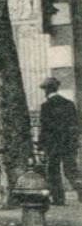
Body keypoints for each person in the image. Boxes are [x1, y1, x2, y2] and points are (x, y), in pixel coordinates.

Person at [38, 77, 80, 205]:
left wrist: (41, 144)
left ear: (47, 90)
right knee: (71, 170)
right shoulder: (69, 103)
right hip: (69, 143)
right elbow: (76, 124)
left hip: (53, 144)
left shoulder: (46, 106)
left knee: (53, 171)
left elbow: (45, 127)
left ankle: (58, 198)